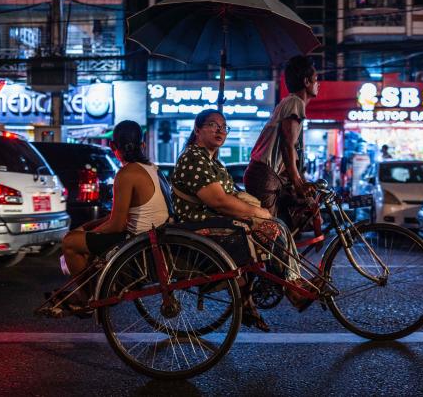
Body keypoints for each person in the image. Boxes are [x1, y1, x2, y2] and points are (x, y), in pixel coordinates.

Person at [171, 109, 314, 331]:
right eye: (213, 125)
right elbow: (219, 201)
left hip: (219, 218)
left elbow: (231, 196)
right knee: (272, 228)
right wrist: (258, 213)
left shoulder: (214, 162)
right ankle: (290, 288)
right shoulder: (194, 158)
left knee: (278, 225)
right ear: (197, 130)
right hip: (204, 223)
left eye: (223, 127)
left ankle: (285, 284)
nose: (220, 130)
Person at [60, 120, 169, 312]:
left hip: (138, 242)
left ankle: (87, 300)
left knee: (70, 242)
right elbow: (120, 214)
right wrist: (87, 229)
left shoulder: (127, 173)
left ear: (112, 146)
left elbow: (116, 225)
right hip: (155, 235)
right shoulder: (152, 168)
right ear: (143, 145)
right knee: (81, 237)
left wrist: (85, 234)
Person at [244, 55, 319, 221]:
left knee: (286, 223)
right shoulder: (295, 102)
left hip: (267, 175)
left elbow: (289, 149)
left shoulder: (289, 103)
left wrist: (299, 180)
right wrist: (297, 181)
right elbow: (287, 144)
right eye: (316, 79)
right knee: (268, 230)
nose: (318, 84)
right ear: (307, 82)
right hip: (264, 175)